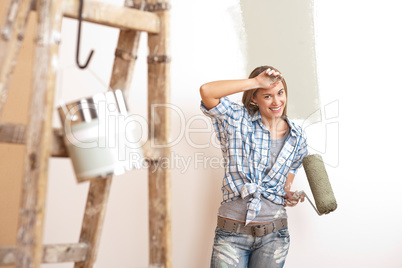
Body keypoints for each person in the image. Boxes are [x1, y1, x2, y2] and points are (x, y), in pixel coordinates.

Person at [199, 66, 308, 268]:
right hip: (232, 235)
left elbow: (286, 181)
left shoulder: (297, 136)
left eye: (280, 93)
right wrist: (256, 82)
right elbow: (207, 91)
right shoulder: (236, 119)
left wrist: (288, 194)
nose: (277, 102)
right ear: (254, 98)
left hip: (275, 236)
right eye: (267, 95)